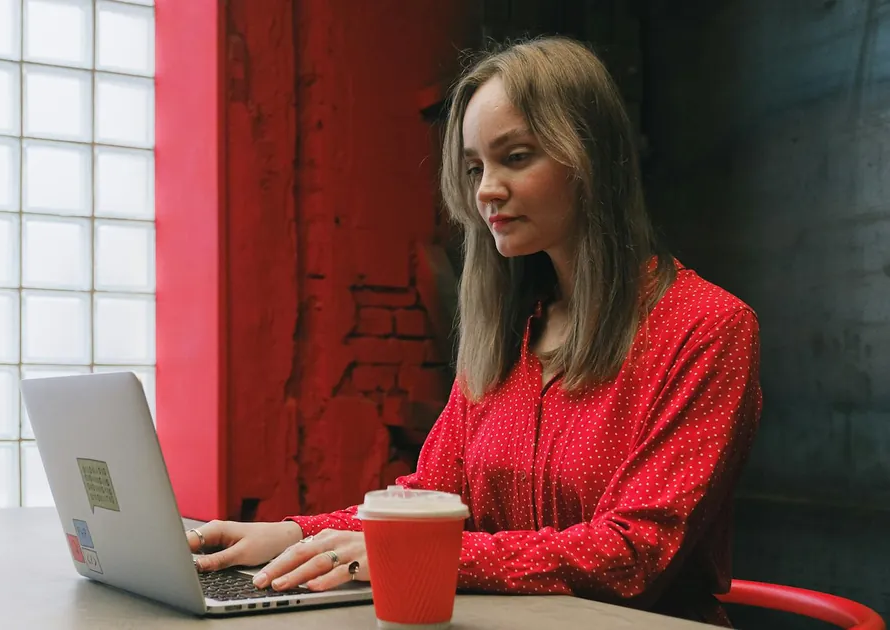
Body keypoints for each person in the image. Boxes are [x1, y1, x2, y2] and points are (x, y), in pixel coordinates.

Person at [185, 36, 761, 627]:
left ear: (591, 159)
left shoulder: (707, 328)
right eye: (474, 167)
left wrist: (415, 554)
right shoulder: (509, 334)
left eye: (515, 157)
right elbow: (428, 496)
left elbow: (632, 553)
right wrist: (288, 535)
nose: (485, 189)